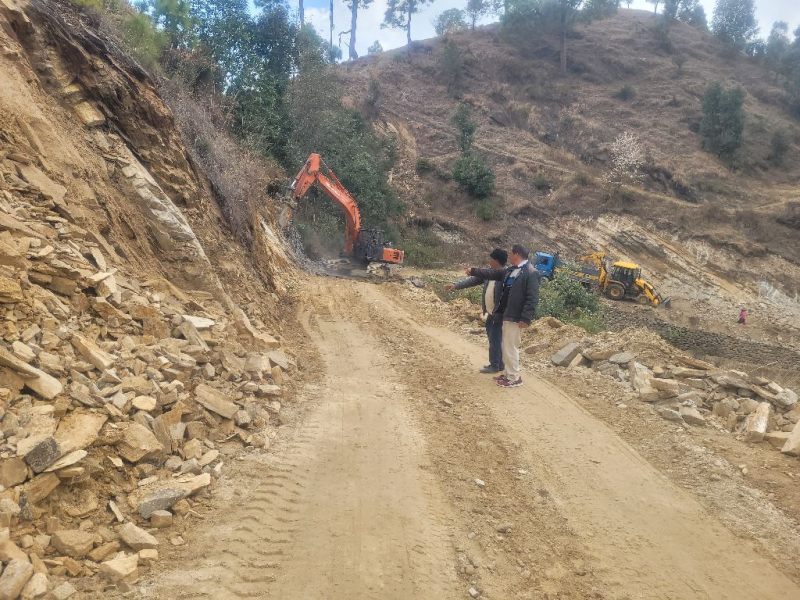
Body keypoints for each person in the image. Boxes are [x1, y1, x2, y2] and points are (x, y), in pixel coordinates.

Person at [466, 244, 540, 388]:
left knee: (511, 347)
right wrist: (474, 271)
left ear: (517, 254)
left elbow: (532, 298)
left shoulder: (531, 273)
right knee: (506, 347)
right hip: (507, 315)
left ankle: (514, 377)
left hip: (516, 317)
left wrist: (526, 318)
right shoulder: (511, 271)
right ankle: (508, 374)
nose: (509, 256)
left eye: (510, 254)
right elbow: (492, 274)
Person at [448, 249, 508, 373]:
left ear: (496, 261)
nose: (489, 261)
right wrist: (456, 285)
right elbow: (474, 280)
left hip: (498, 314)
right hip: (491, 313)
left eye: (491, 259)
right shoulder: (490, 273)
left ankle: (494, 365)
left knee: (495, 339)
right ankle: (500, 363)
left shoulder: (504, 275)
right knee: (495, 338)